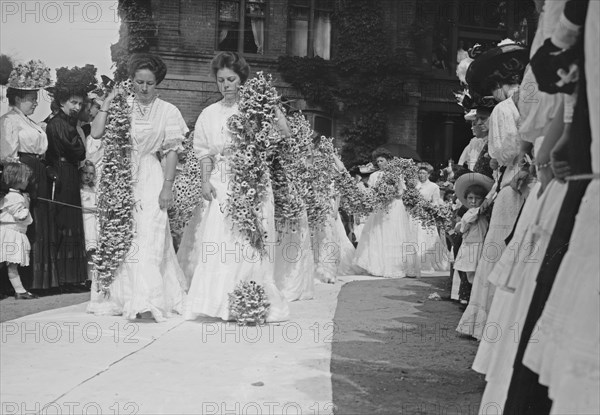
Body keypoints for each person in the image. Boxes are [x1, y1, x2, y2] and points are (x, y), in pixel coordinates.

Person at [179, 52, 289, 322]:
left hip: (252, 179)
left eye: (231, 79)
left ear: (242, 80)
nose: (226, 85)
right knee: (221, 239)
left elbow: (284, 135)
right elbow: (204, 153)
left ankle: (250, 299)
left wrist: (271, 105)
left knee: (250, 240)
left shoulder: (256, 110)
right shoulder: (209, 114)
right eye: (221, 80)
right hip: (221, 179)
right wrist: (205, 181)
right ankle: (219, 301)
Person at [87, 53, 188, 321]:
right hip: (120, 177)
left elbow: (171, 152)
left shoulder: (168, 111)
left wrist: (167, 187)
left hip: (152, 176)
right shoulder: (122, 106)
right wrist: (108, 102)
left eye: (150, 83)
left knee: (149, 234)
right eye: (138, 82)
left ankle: (147, 298)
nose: (143, 88)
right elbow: (96, 133)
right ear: (131, 81)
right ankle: (121, 296)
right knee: (123, 234)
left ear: (158, 83)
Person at [456, 42, 531, 340]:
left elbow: (501, 152)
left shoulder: (503, 109)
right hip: (530, 182)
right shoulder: (530, 102)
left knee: (498, 248)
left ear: (498, 85)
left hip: (512, 184)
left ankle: (491, 323)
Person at [0, 59, 55, 290]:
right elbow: (8, 156)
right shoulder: (9, 121)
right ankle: (20, 280)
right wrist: (19, 183)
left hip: (36, 173)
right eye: (31, 99)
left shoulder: (28, 121)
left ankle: (39, 280)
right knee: (23, 222)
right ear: (18, 99)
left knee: (38, 222)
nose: (34, 103)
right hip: (22, 175)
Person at [45, 65, 97, 287]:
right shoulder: (59, 123)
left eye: (79, 103)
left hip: (69, 172)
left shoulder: (68, 123)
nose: (76, 107)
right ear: (62, 103)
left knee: (73, 223)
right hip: (63, 171)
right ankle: (65, 278)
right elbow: (77, 150)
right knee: (65, 222)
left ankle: (74, 277)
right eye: (72, 103)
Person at [355, 148, 420, 278]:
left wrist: (392, 191)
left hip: (395, 206)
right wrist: (378, 196)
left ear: (388, 161)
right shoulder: (374, 176)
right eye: (378, 161)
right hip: (380, 208)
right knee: (378, 233)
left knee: (394, 234)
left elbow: (401, 193)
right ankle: (378, 266)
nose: (380, 163)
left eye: (382, 160)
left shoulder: (397, 174)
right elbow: (372, 192)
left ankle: (396, 266)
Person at [452, 174, 493, 305]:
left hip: (477, 244)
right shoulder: (469, 212)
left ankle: (473, 298)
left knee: (474, 272)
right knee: (467, 271)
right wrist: (459, 226)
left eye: (477, 198)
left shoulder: (477, 213)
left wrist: (461, 227)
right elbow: (462, 224)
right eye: (470, 198)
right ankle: (466, 297)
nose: (473, 202)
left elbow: (465, 225)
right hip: (468, 244)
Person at [0, 162, 38, 299]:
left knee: (10, 265)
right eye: (26, 178)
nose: (28, 181)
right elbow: (22, 216)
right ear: (18, 179)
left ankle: (19, 290)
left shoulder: (11, 196)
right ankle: (20, 291)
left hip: (9, 233)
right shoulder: (15, 197)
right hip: (10, 234)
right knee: (11, 265)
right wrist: (27, 204)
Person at [415, 163, 450, 272]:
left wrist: (427, 206)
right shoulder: (414, 185)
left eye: (424, 173)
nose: (421, 175)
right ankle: (413, 261)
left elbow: (436, 202)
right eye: (419, 173)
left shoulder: (433, 186)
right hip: (414, 214)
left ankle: (425, 262)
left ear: (429, 174)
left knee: (425, 237)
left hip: (426, 215)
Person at [80, 160, 97, 285]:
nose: (88, 176)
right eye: (85, 173)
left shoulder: (94, 189)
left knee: (93, 251)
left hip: (94, 223)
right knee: (85, 250)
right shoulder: (79, 190)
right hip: (85, 221)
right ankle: (84, 276)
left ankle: (92, 277)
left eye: (91, 173)